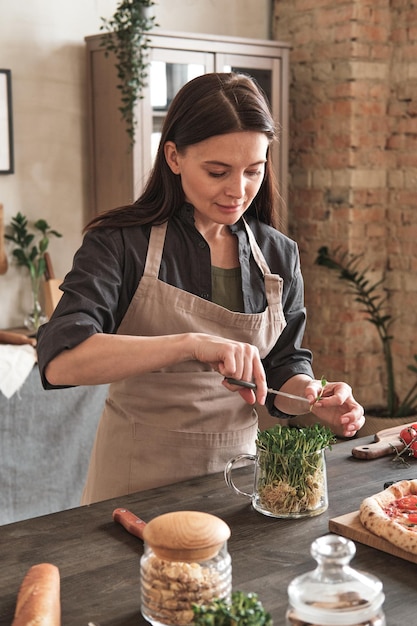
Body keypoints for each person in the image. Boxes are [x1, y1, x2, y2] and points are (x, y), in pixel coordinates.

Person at [37, 72, 365, 505]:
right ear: (173, 157)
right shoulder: (120, 242)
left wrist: (311, 397)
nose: (238, 190)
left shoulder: (278, 253)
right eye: (217, 171)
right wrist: (190, 344)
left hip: (237, 483)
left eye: (254, 170)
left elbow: (284, 362)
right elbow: (61, 362)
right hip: (134, 484)